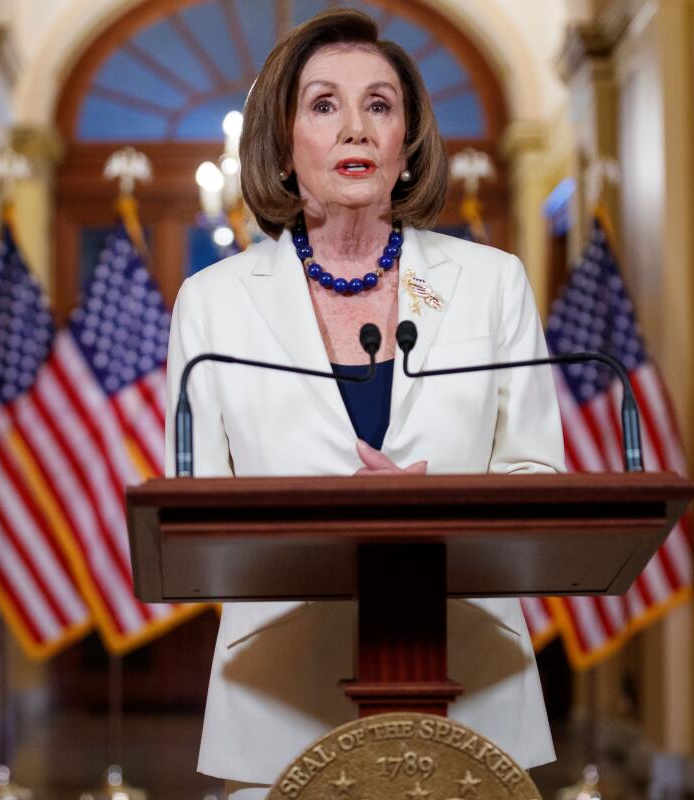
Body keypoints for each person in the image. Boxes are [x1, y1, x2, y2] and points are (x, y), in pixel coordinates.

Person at [164, 8, 564, 796]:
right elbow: (194, 519)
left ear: (408, 144)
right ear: (282, 146)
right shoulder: (210, 305)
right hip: (279, 697)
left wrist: (430, 514)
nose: (355, 128)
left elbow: (539, 480)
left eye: (379, 105)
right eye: (324, 105)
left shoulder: (492, 285)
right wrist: (334, 528)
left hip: (467, 685)